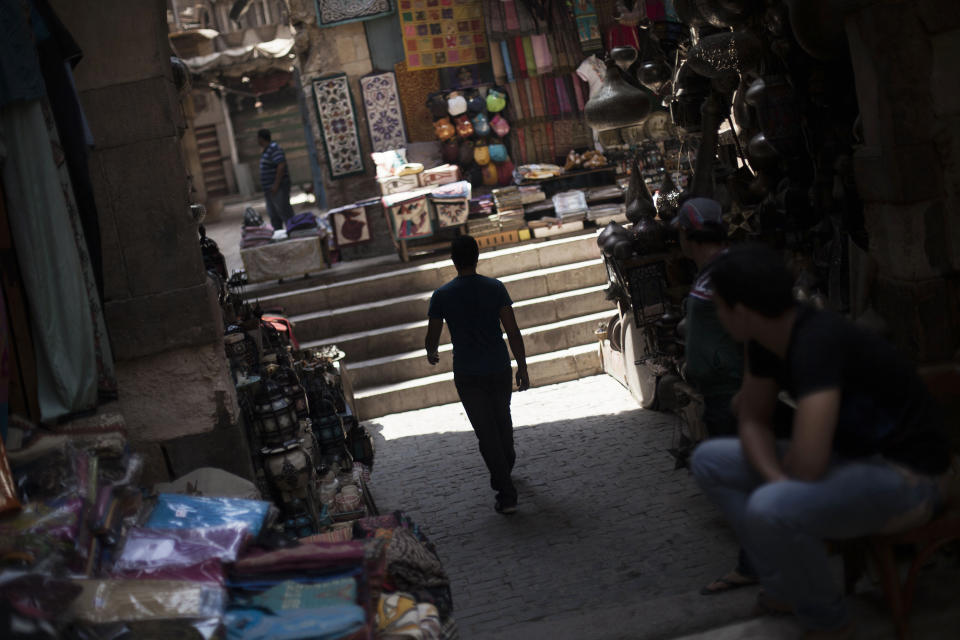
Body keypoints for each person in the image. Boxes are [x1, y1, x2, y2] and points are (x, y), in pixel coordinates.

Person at [691, 244, 951, 639]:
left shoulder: (817, 340)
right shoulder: (764, 340)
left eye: (721, 307)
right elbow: (753, 420)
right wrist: (776, 476)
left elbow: (808, 462)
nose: (719, 316)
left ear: (741, 311)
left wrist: (779, 484)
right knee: (711, 459)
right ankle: (785, 590)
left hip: (910, 476)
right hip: (848, 460)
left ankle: (828, 623)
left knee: (770, 506)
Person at [672, 198, 757, 596]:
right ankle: (755, 560)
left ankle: (757, 562)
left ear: (691, 234)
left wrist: (750, 384)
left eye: (680, 233)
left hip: (733, 392)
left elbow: (752, 331)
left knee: (739, 480)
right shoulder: (710, 273)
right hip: (721, 390)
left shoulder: (724, 272)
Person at [424, 235, 530, 515]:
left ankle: (506, 492)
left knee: (486, 432)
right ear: (477, 256)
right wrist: (523, 366)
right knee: (502, 422)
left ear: (452, 260)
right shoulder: (495, 288)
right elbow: (512, 330)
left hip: (468, 373)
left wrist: (432, 353)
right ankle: (505, 472)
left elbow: (432, 337)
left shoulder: (442, 295)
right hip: (498, 367)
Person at [257, 128, 294, 231]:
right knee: (274, 214)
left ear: (260, 138)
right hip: (270, 189)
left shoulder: (274, 148)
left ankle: (293, 231)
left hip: (278, 188)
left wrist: (276, 185)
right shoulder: (267, 150)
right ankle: (279, 234)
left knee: (285, 212)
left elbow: (281, 166)